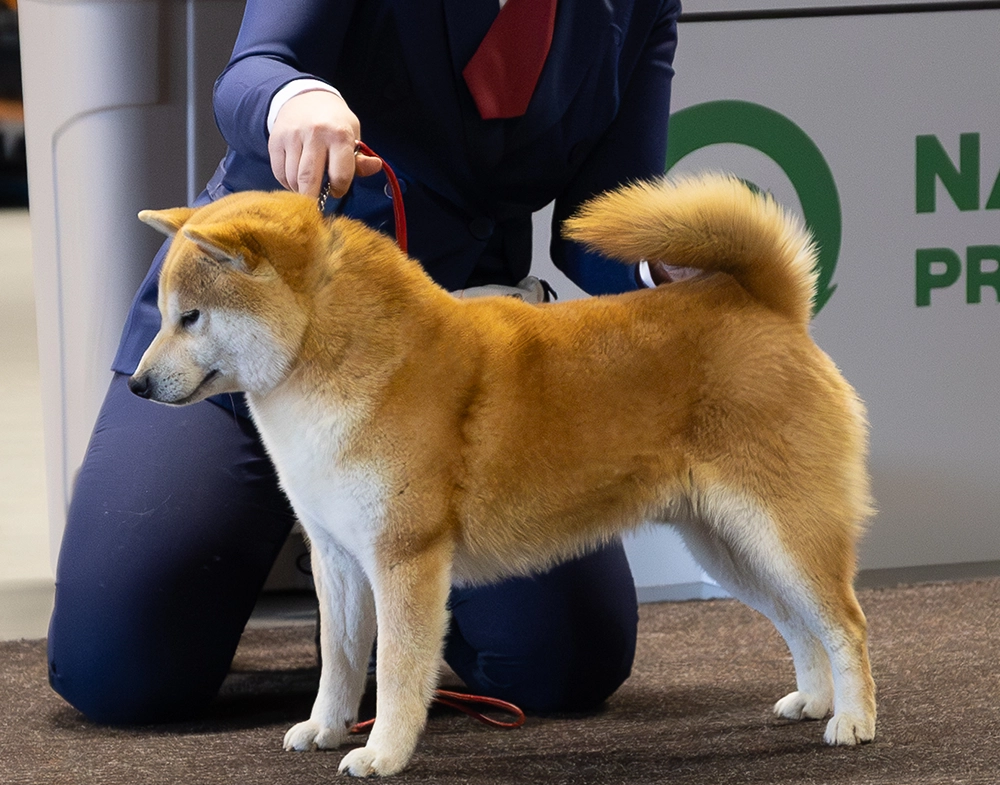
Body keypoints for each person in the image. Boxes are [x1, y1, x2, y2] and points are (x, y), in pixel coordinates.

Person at [47, 0, 682, 724]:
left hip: (450, 374)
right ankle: (329, 563)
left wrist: (661, 265)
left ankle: (370, 599)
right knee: (116, 669)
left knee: (568, 661)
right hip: (240, 329)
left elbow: (600, 213)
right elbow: (254, 67)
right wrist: (293, 97)